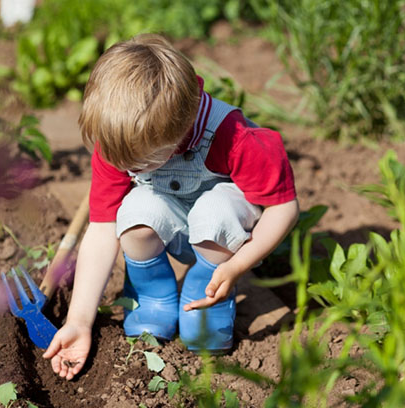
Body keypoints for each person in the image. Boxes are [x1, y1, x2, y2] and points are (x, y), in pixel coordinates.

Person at [43, 33, 299, 380]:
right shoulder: (122, 142)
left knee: (215, 212)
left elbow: (283, 207)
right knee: (132, 214)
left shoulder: (233, 137)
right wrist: (78, 320)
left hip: (225, 233)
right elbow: (102, 228)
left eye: (141, 164)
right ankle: (153, 298)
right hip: (175, 217)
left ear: (179, 133)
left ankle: (207, 293)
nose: (130, 170)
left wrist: (238, 266)